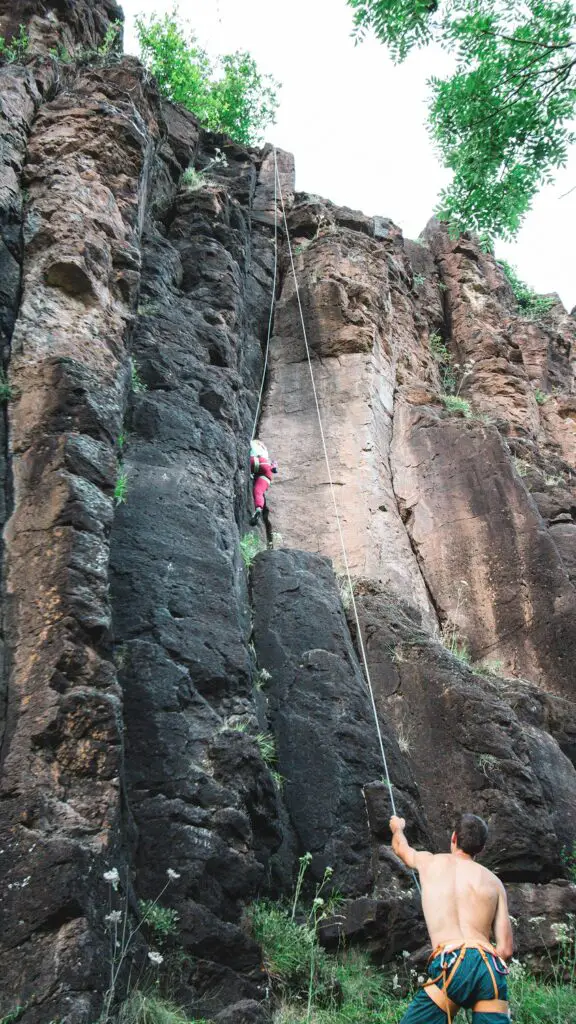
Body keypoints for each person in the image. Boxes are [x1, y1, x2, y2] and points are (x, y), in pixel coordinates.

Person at [390, 812, 513, 1024]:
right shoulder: (494, 883)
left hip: (452, 962)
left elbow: (401, 848)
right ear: (481, 849)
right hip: (489, 970)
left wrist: (397, 828)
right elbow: (505, 951)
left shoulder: (430, 862)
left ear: (454, 838)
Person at [250, 439, 277, 526]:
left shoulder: (254, 443)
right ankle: (258, 509)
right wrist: (274, 468)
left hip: (256, 461)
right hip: (267, 470)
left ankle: (250, 473)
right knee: (259, 492)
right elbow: (274, 467)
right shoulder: (265, 451)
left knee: (246, 461)